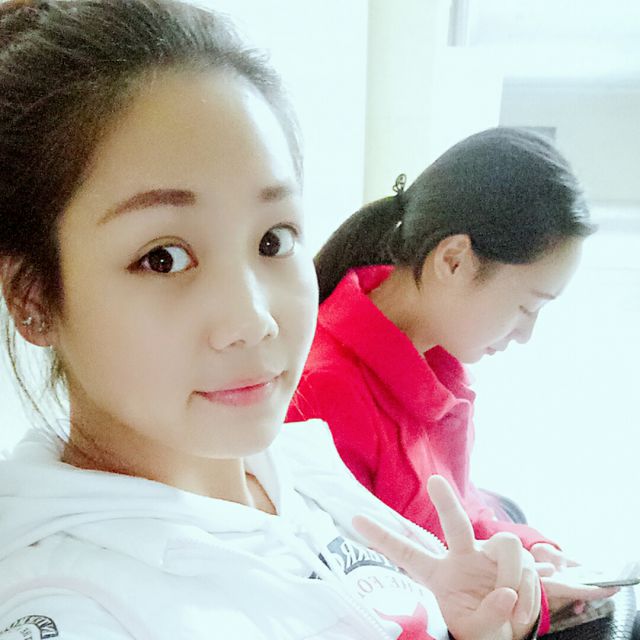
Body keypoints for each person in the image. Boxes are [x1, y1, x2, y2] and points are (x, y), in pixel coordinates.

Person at [0, 1, 549, 639]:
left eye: (273, 240)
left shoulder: (295, 464)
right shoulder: (71, 609)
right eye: (163, 258)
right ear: (33, 297)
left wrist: (464, 625)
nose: (254, 319)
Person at [286, 127, 616, 624]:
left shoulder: (436, 362)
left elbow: (462, 511)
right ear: (454, 260)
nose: (526, 334)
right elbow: (359, 602)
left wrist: (531, 552)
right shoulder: (321, 396)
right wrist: (523, 602)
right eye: (527, 307)